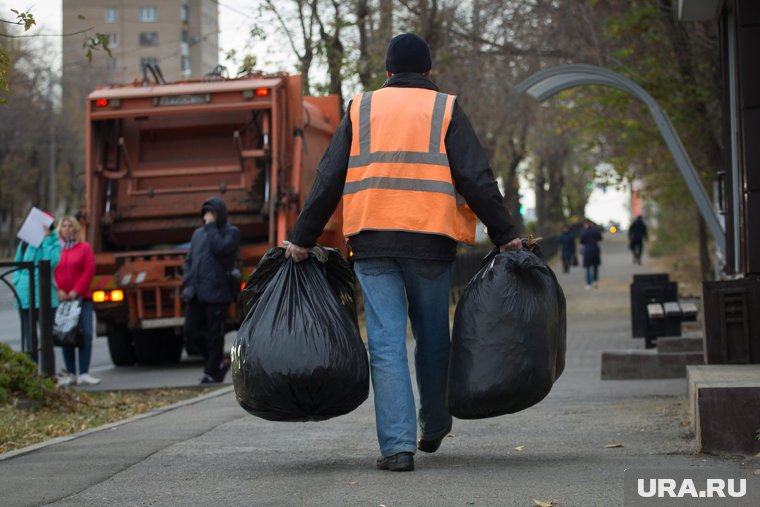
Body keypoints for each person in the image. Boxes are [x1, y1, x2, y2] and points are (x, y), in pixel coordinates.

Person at [284, 33, 522, 472]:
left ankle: (397, 448)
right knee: (433, 337)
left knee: (386, 344)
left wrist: (302, 237)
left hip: (373, 241)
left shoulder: (362, 107)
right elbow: (476, 177)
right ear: (427, 72)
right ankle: (432, 424)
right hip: (431, 241)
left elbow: (329, 177)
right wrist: (505, 232)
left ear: (389, 72)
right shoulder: (445, 107)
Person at [183, 197, 240, 384]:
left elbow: (220, 248)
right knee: (191, 333)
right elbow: (190, 259)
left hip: (217, 293)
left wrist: (211, 227)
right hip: (196, 292)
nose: (208, 217)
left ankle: (211, 372)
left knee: (215, 335)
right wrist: (188, 281)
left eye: (212, 213)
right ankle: (217, 363)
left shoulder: (231, 232)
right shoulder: (198, 234)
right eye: (206, 213)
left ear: (220, 214)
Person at [54, 215, 99, 386]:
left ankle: (84, 372)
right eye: (63, 226)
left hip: (82, 299)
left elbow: (89, 271)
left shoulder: (84, 248)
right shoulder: (57, 249)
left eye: (69, 226)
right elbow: (51, 270)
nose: (66, 228)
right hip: (62, 301)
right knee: (66, 335)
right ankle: (71, 372)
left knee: (85, 333)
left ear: (75, 229)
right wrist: (58, 289)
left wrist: (75, 291)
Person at [13, 211, 61, 363]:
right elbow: (17, 264)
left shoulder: (53, 243)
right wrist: (18, 281)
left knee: (46, 339)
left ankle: (48, 374)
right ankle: (33, 374)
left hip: (44, 297)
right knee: (29, 339)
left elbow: (50, 262)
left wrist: (46, 239)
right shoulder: (26, 243)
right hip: (24, 296)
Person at [580, 219, 603, 289]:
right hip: (595, 250)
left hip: (587, 251)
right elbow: (600, 238)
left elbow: (582, 241)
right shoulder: (596, 230)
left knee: (587, 268)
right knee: (595, 267)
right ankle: (595, 281)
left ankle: (588, 283)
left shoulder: (584, 231)